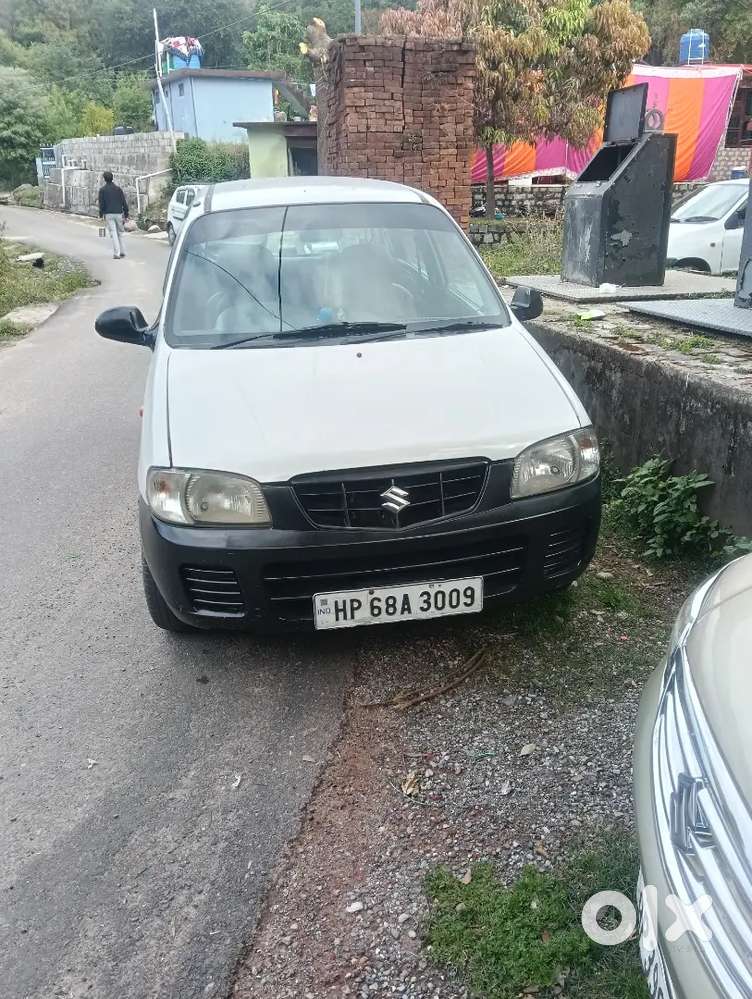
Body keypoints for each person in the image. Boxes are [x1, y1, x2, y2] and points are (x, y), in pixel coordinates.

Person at [98, 171, 129, 259]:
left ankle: (117, 253)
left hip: (109, 214)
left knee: (113, 232)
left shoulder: (102, 190)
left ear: (104, 179)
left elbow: (101, 204)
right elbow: (124, 202)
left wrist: (101, 214)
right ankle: (123, 251)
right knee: (120, 232)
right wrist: (126, 214)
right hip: (119, 213)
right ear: (112, 178)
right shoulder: (118, 189)